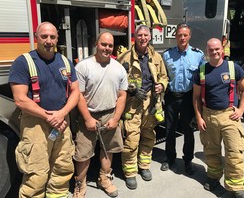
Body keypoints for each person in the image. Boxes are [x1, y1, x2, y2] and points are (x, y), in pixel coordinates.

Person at [9, 22, 80, 197]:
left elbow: (76, 91)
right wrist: (48, 116)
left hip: (62, 122)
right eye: (44, 36)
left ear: (57, 38)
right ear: (36, 37)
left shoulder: (65, 61)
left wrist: (62, 114)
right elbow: (20, 99)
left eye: (52, 37)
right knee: (36, 173)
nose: (48, 41)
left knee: (62, 168)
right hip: (36, 125)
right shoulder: (23, 62)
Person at [193, 38, 244, 198]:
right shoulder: (201, 71)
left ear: (222, 49)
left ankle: (236, 186)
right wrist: (199, 117)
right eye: (211, 50)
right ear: (207, 51)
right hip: (209, 116)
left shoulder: (234, 68)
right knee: (211, 151)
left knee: (234, 152)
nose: (215, 52)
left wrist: (241, 110)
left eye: (217, 49)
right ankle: (213, 178)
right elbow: (196, 97)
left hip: (230, 116)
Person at [73, 32, 128, 198]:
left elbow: (122, 95)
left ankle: (104, 179)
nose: (107, 48)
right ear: (96, 45)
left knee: (108, 149)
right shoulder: (83, 67)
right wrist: (88, 119)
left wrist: (116, 118)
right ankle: (80, 185)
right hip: (88, 115)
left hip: (110, 114)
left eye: (110, 45)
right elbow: (78, 95)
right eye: (104, 44)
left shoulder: (118, 68)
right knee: (83, 153)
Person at [117, 24, 168, 190]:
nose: (143, 38)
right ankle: (130, 172)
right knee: (131, 139)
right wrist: (131, 91)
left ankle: (144, 166)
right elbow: (117, 81)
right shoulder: (124, 57)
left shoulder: (157, 57)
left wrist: (161, 84)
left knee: (148, 136)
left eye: (146, 35)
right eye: (140, 35)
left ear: (150, 37)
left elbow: (164, 76)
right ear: (135, 37)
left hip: (151, 103)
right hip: (132, 105)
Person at [160, 22, 205, 174]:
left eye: (185, 35)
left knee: (188, 131)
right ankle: (170, 158)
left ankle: (188, 161)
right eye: (179, 35)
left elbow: (203, 79)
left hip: (188, 98)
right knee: (169, 130)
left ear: (189, 36)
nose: (182, 38)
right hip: (172, 97)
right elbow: (163, 76)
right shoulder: (167, 55)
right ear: (175, 36)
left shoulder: (198, 55)